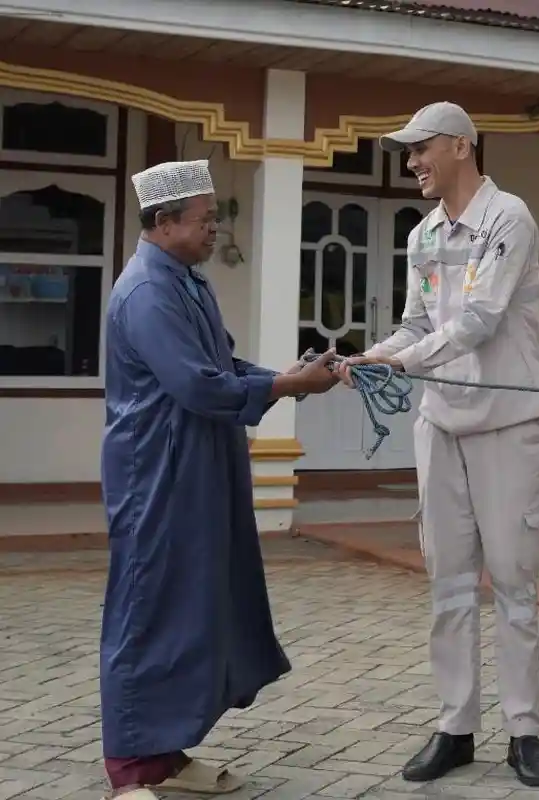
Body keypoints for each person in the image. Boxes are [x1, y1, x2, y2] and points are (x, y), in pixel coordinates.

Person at [99, 159, 340, 799]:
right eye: (206, 220)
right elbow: (197, 385)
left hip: (199, 460)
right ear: (165, 222)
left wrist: (284, 374)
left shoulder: (185, 278)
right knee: (148, 607)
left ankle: (163, 755)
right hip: (158, 472)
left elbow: (220, 362)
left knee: (192, 606)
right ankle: (126, 771)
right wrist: (288, 387)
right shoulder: (147, 290)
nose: (215, 230)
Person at [337, 102, 539, 788]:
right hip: (441, 424)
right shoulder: (425, 232)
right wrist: (373, 355)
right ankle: (455, 728)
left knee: (515, 584)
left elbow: (483, 318)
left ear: (462, 146)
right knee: (449, 584)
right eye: (408, 153)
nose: (412, 164)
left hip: (506, 423)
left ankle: (525, 731)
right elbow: (414, 323)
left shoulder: (508, 217)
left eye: (421, 149)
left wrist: (405, 362)